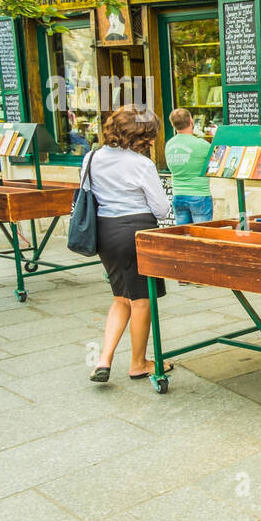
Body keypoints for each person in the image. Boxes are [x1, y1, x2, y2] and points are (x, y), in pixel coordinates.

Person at [85, 105, 171, 383]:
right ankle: (138, 363)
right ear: (141, 135)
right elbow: (160, 209)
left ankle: (104, 359)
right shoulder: (141, 164)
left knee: (120, 297)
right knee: (141, 301)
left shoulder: (91, 157)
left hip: (104, 232)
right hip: (136, 231)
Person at [164, 107, 213, 224]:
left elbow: (171, 167)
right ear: (191, 121)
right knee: (201, 236)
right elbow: (215, 163)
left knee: (183, 236)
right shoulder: (202, 144)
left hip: (178, 194)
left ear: (172, 124)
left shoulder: (169, 144)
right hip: (199, 194)